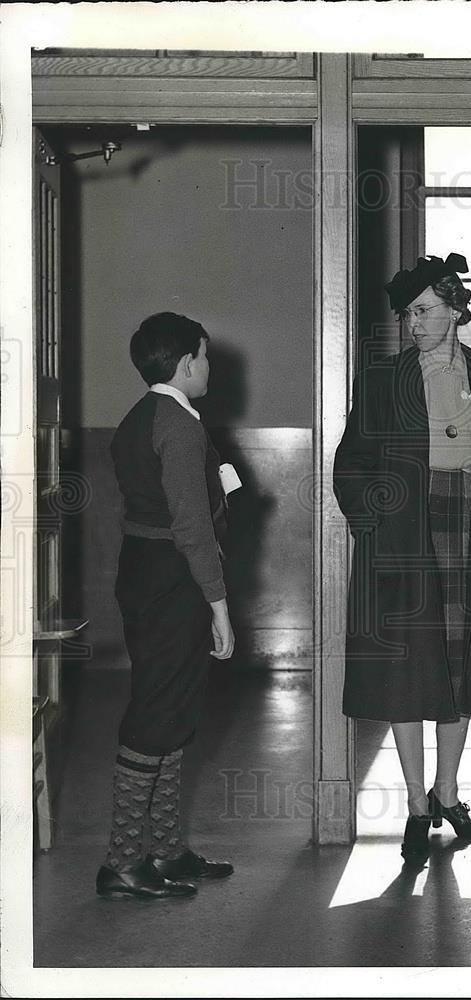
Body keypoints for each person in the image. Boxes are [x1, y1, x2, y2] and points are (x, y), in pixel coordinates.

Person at [334, 253, 471, 863]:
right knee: (408, 674)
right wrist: (379, 526)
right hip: (406, 537)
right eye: (406, 315)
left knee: (459, 667)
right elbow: (350, 466)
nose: (412, 324)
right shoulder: (380, 381)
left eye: (423, 311)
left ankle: (448, 792)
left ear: (454, 310)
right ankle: (417, 805)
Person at [96, 312, 236, 900]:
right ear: (186, 364)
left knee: (173, 708)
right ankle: (124, 862)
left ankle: (165, 851)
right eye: (205, 356)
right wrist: (219, 605)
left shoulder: (143, 417)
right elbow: (192, 528)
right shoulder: (177, 424)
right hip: (172, 578)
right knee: (156, 712)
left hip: (148, 571)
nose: (209, 366)